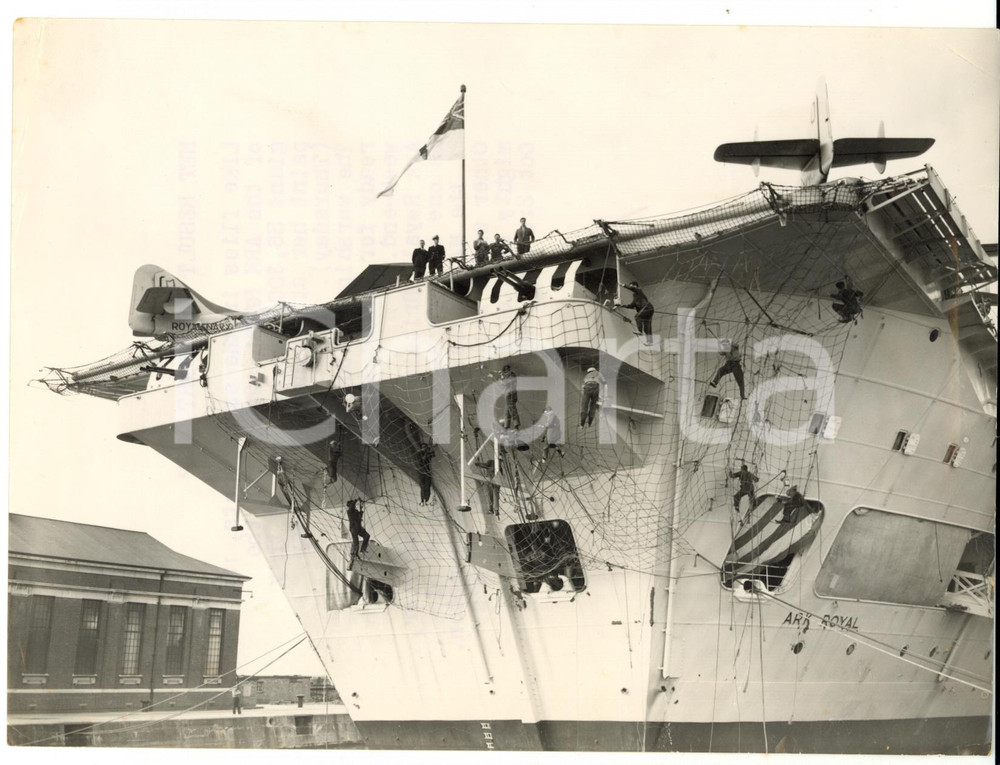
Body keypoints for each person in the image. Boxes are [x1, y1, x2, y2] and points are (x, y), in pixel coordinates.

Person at [346, 498, 370, 565]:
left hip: (359, 528)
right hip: (353, 529)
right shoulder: (349, 511)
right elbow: (352, 506)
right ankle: (354, 555)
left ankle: (363, 549)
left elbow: (360, 516)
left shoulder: (355, 511)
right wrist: (356, 500)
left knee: (367, 536)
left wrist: (361, 508)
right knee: (356, 542)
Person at [499, 364, 521, 429]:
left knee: (512, 410)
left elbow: (505, 383)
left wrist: (501, 378)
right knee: (507, 411)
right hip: (511, 395)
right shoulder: (511, 375)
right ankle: (506, 426)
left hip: (509, 395)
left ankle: (516, 425)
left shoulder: (511, 375)